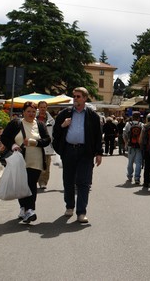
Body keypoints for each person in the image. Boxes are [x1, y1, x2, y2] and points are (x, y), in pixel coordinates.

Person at [52, 87, 103, 223]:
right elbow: (55, 132)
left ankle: (81, 212)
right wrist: (63, 125)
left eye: (78, 96)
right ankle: (69, 206)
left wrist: (98, 153)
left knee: (83, 183)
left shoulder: (93, 116)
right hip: (68, 151)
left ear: (85, 98)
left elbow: (98, 136)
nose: (75, 99)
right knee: (68, 181)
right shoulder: (65, 114)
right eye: (74, 96)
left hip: (85, 153)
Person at [1, 101, 51, 223]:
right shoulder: (16, 123)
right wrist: (13, 145)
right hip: (20, 160)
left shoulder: (40, 124)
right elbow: (4, 137)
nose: (31, 114)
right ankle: (23, 208)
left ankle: (30, 210)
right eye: (28, 111)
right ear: (23, 112)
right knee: (21, 185)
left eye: (34, 111)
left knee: (31, 184)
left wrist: (35, 142)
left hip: (36, 160)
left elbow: (47, 140)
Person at [36, 100, 56, 190]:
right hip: (35, 144)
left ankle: (43, 182)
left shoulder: (51, 121)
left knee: (46, 165)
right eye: (41, 107)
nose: (43, 109)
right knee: (35, 164)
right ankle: (34, 180)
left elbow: (54, 133)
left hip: (47, 145)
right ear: (38, 108)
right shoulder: (33, 118)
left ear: (46, 108)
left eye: (44, 107)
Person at [124, 111, 143, 184]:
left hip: (130, 145)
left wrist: (126, 143)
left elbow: (124, 134)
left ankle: (129, 176)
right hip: (139, 146)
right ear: (139, 118)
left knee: (130, 162)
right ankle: (137, 178)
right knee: (138, 162)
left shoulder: (128, 124)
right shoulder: (141, 124)